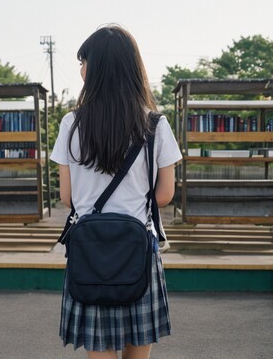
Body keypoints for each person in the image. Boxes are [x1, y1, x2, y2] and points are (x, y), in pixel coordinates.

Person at [50, 25, 182, 359]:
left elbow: (66, 197)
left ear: (95, 68)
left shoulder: (71, 123)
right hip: (138, 250)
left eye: (83, 61)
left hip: (90, 251)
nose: (80, 67)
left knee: (100, 349)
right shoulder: (155, 124)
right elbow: (165, 195)